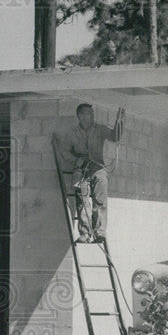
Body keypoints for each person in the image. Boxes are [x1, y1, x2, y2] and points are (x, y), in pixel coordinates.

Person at [63, 103, 125, 243]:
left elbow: (115, 136)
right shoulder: (72, 133)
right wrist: (78, 161)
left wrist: (120, 122)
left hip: (98, 168)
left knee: (100, 201)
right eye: (88, 113)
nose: (92, 115)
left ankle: (100, 233)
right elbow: (65, 153)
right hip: (81, 170)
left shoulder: (100, 129)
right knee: (82, 202)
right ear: (80, 116)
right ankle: (85, 233)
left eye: (92, 113)